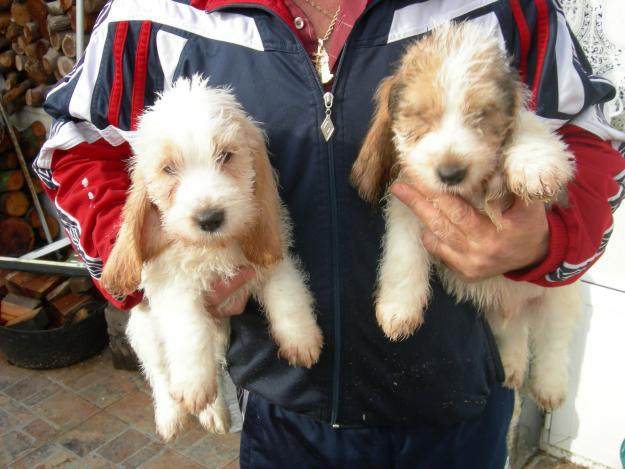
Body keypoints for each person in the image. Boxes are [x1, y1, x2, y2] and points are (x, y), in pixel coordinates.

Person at [33, 0, 625, 467]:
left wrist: (548, 241)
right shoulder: (152, 13)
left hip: (461, 393)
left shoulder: (502, 7)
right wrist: (149, 262)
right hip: (288, 407)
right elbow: (75, 146)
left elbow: (589, 132)